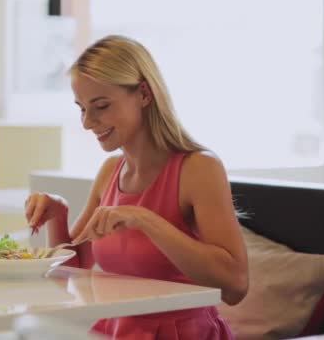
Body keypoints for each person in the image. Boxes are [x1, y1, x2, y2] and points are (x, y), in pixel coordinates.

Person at [24, 35, 248, 339]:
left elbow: (235, 286)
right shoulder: (110, 172)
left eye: (100, 106)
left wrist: (145, 219)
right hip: (117, 330)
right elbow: (73, 272)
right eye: (82, 109)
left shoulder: (199, 168)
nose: (88, 123)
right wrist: (58, 214)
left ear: (143, 93)